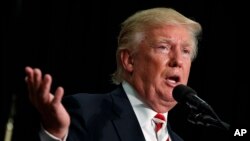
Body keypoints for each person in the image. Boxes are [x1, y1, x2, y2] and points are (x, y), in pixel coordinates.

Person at [25, 7, 202, 141]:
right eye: (163, 47)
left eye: (186, 51)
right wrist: (54, 135)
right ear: (129, 60)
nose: (178, 60)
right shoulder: (87, 112)